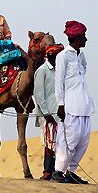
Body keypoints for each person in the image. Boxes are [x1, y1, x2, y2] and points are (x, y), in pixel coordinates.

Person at [52, 21, 94, 184]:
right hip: (69, 105)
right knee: (69, 139)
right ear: (77, 38)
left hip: (84, 104)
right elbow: (58, 82)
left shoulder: (81, 56)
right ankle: (59, 171)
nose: (86, 40)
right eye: (83, 37)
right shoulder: (63, 56)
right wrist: (60, 104)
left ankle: (71, 171)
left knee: (83, 139)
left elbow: (83, 70)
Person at [34, 43, 64, 180]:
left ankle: (59, 171)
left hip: (60, 113)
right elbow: (39, 94)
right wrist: (46, 114)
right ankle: (47, 171)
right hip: (47, 114)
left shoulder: (61, 71)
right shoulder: (42, 70)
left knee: (60, 143)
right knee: (49, 143)